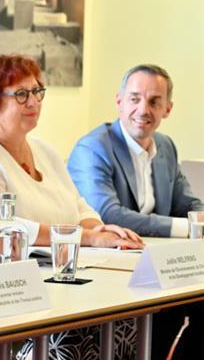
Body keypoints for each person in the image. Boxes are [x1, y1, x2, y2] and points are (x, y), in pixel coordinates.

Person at [0, 54, 143, 360]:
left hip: (62, 282)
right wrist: (87, 237)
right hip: (5, 294)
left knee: (128, 317)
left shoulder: (44, 149)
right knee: (84, 328)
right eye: (21, 94)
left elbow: (77, 204)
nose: (34, 101)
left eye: (37, 91)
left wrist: (98, 228)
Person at [67, 64, 204, 237]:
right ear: (119, 102)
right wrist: (187, 227)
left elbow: (189, 205)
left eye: (154, 102)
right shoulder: (92, 149)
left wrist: (199, 219)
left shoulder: (166, 145)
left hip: (159, 249)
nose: (143, 110)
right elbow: (106, 216)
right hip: (110, 251)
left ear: (167, 109)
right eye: (134, 99)